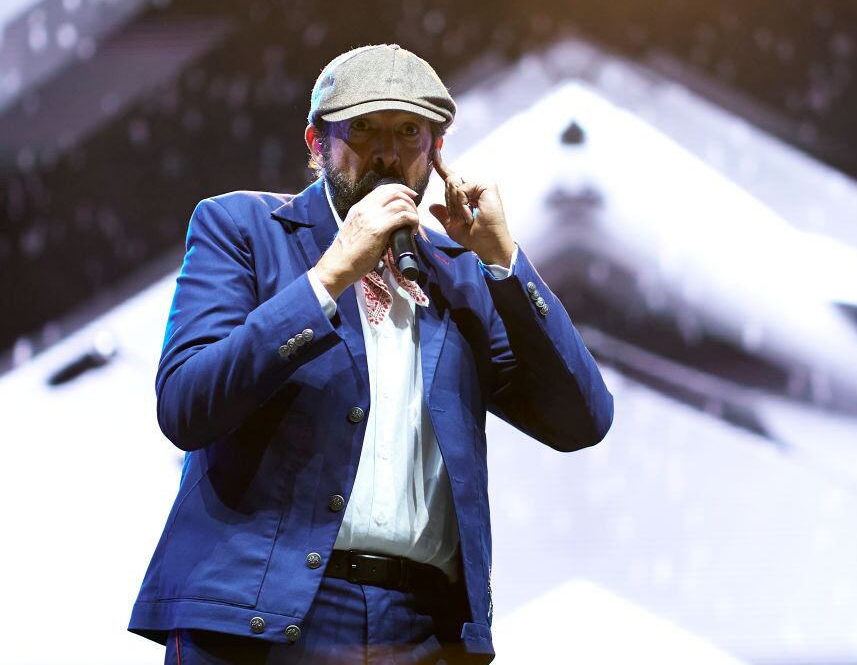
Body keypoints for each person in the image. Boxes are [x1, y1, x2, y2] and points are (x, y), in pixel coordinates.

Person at [128, 43, 613, 664]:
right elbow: (186, 404)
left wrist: (503, 260)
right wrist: (328, 277)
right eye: (363, 128)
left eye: (409, 132)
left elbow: (582, 420)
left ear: (436, 152)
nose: (387, 152)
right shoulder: (243, 228)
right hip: (261, 621)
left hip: (423, 629)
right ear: (317, 143)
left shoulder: (461, 275)